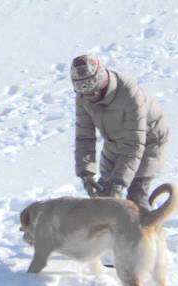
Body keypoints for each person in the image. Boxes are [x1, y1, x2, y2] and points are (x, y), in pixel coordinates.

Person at [71, 53, 170, 211]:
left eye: (93, 92)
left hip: (148, 143)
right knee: (103, 200)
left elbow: (134, 143)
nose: (91, 98)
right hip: (115, 143)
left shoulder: (130, 93)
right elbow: (84, 138)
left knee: (135, 200)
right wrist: (86, 173)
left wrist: (118, 182)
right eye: (86, 94)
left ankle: (146, 232)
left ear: (102, 81)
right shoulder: (83, 97)